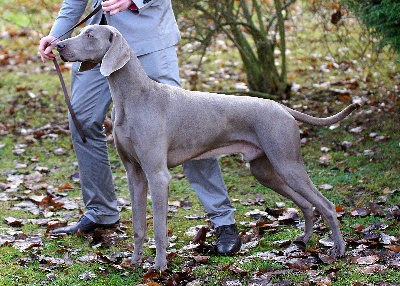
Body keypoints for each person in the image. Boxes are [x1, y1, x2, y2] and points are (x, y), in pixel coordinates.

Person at [39, 0, 241, 255]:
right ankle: (101, 210)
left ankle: (223, 220)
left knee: (189, 126)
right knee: (82, 119)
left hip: (148, 43)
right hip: (95, 45)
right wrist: (57, 34)